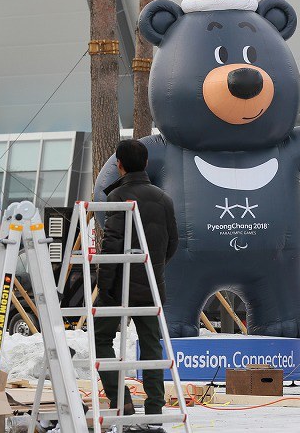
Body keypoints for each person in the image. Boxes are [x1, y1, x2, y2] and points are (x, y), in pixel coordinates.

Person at [95, 139, 178, 433]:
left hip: (119, 286)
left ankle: (122, 401)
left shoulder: (117, 197)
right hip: (152, 283)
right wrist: (153, 267)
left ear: (119, 164)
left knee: (101, 339)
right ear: (145, 164)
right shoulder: (163, 198)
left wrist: (104, 288)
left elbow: (111, 248)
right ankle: (155, 409)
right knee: (152, 345)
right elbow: (172, 243)